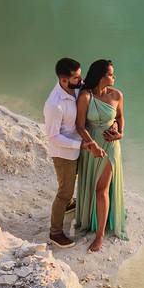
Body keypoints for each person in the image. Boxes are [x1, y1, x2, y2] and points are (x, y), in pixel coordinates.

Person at [43, 57, 103, 248]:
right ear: (64, 80)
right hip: (63, 153)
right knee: (64, 192)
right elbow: (53, 137)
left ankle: (69, 205)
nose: (81, 80)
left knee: (72, 184)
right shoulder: (54, 105)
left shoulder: (75, 88)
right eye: (77, 78)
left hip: (78, 146)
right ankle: (55, 233)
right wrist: (81, 146)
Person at [74, 59, 126, 252]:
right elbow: (80, 126)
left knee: (101, 188)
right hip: (91, 147)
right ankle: (92, 222)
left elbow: (120, 117)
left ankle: (100, 236)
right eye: (111, 74)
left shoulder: (117, 95)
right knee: (92, 185)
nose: (114, 77)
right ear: (101, 76)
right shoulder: (86, 97)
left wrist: (120, 133)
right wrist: (92, 144)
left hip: (111, 146)